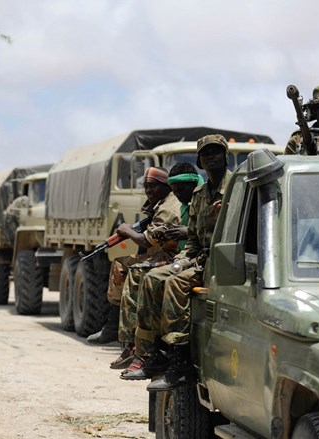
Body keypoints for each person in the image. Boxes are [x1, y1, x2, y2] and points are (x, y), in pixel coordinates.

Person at [131, 134, 231, 391]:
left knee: (175, 283)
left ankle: (180, 361)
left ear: (225, 156)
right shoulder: (199, 194)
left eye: (216, 152)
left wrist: (182, 268)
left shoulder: (235, 188)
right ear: (200, 161)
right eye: (206, 154)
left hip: (225, 259)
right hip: (199, 258)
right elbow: (195, 239)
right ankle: (153, 352)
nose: (211, 157)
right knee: (153, 278)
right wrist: (179, 261)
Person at [116, 162, 202, 379]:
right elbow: (189, 245)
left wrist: (186, 240)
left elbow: (204, 237)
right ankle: (142, 347)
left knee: (148, 276)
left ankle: (164, 353)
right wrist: (181, 261)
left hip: (201, 259)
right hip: (187, 256)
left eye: (153, 186)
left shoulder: (195, 202)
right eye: (175, 188)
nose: (178, 193)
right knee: (142, 273)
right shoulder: (184, 203)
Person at [86, 167, 182, 344]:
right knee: (124, 264)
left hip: (172, 257)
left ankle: (119, 331)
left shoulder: (167, 208)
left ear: (166, 186)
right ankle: (116, 328)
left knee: (123, 267)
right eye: (146, 186)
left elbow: (146, 242)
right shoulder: (162, 203)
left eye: (153, 186)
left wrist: (126, 230)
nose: (148, 190)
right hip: (165, 254)